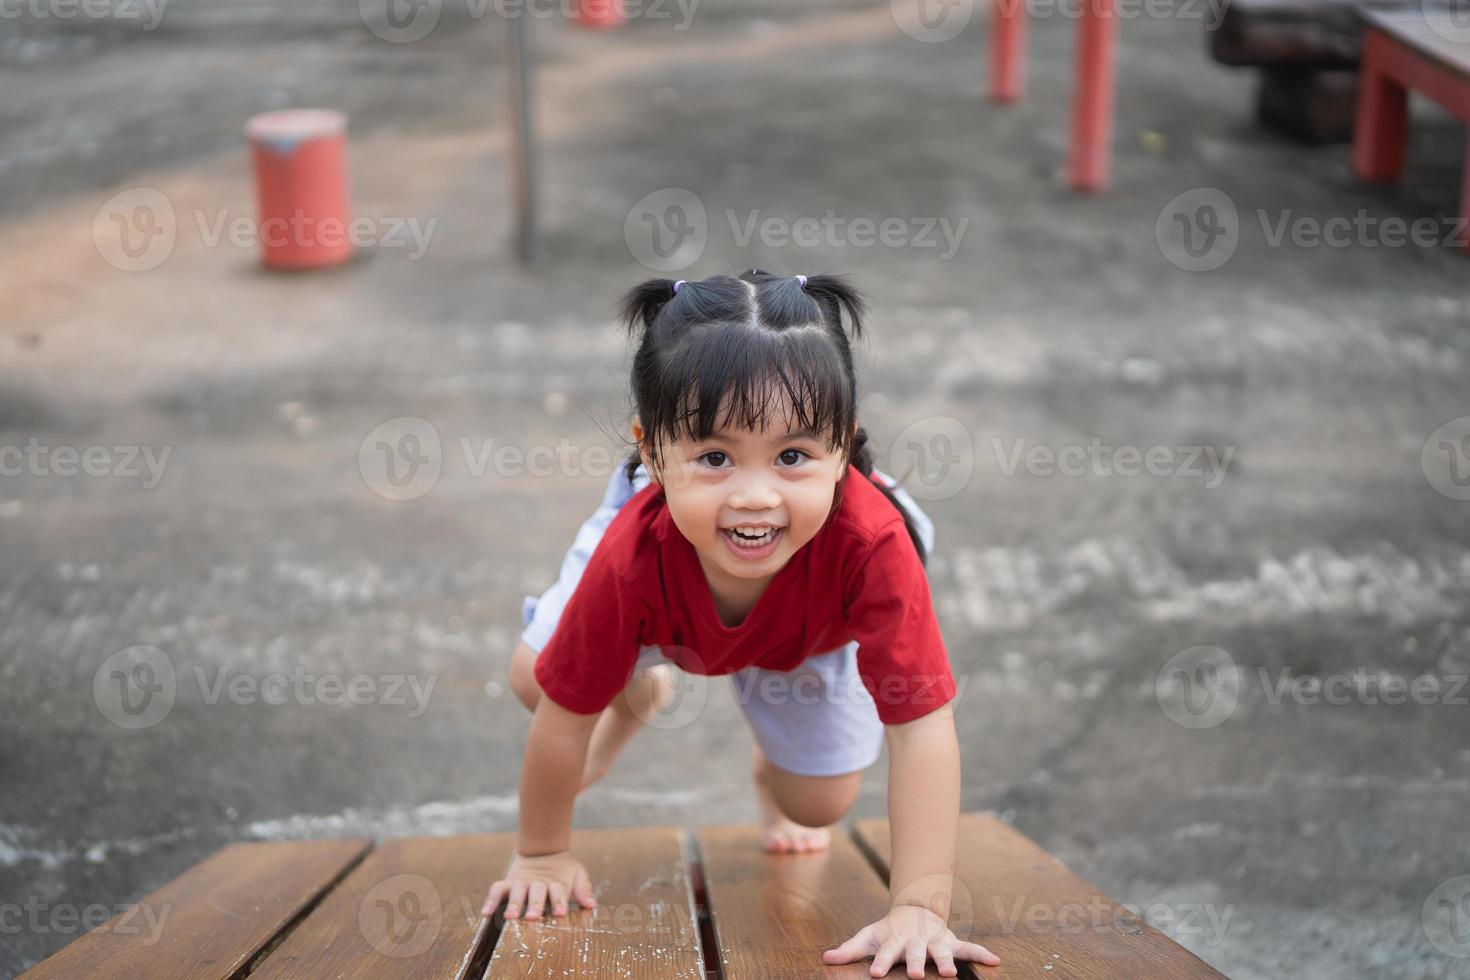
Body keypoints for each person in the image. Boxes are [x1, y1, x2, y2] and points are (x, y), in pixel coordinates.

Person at [480, 270, 1000, 978]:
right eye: (715, 457)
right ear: (652, 454)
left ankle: (769, 760)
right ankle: (636, 691)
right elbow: (567, 715)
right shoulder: (631, 554)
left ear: (843, 449)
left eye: (792, 456)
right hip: (666, 606)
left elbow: (921, 725)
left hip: (810, 632)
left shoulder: (874, 546)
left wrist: (920, 907)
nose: (754, 495)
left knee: (819, 806)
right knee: (536, 679)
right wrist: (542, 851)